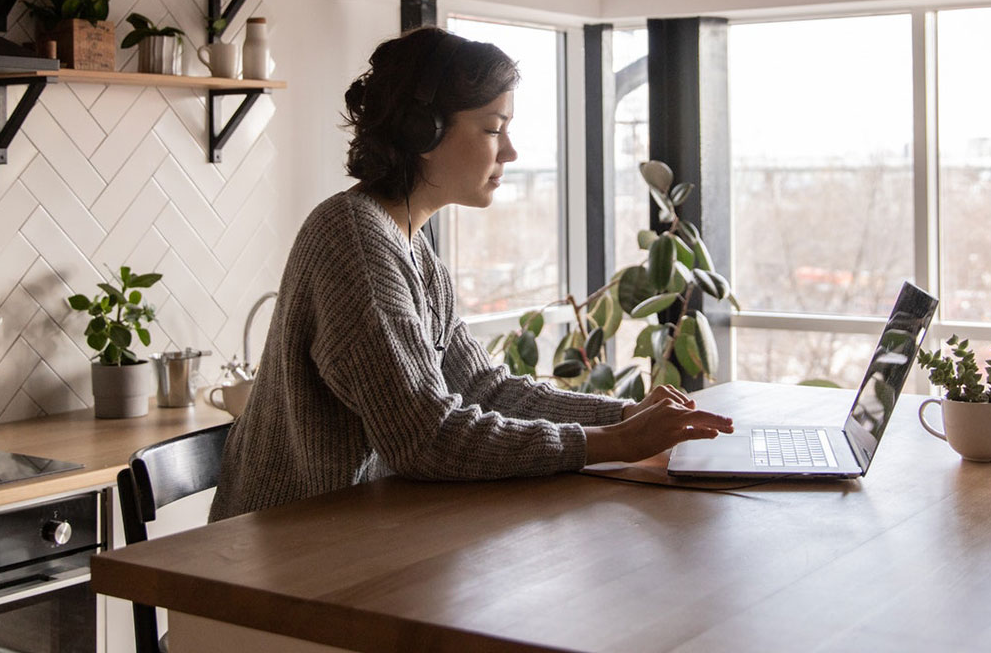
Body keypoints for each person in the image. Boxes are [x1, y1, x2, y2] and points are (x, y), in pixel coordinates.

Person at [209, 27, 733, 521]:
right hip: (271, 560)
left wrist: (624, 417)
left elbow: (483, 389)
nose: (510, 151)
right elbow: (425, 438)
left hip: (352, 533)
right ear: (423, 132)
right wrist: (613, 443)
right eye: (493, 129)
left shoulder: (409, 247)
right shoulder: (354, 241)